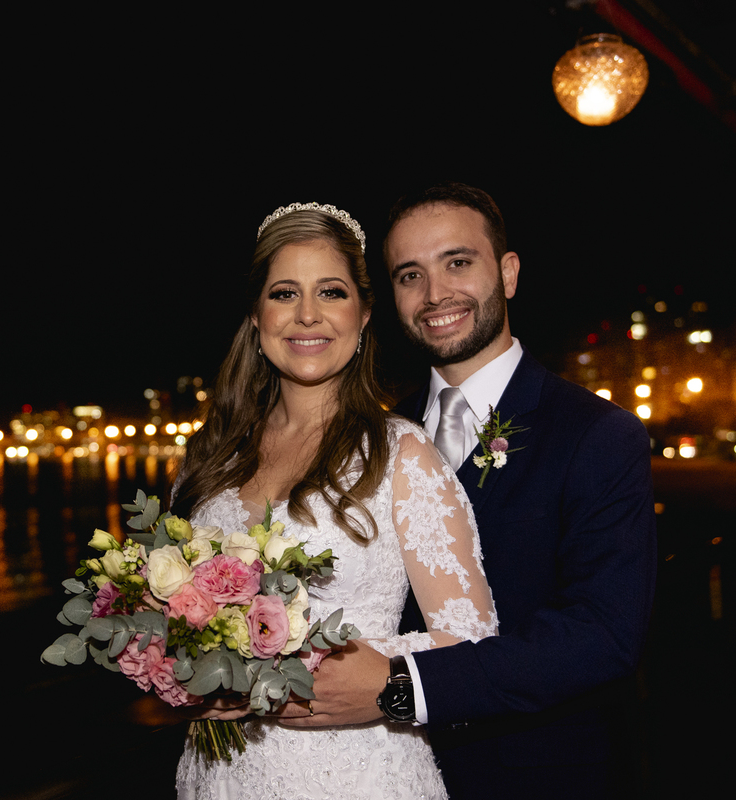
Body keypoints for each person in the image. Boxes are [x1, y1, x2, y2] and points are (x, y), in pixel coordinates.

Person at [282, 183, 657, 799]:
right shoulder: (371, 439)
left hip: (533, 773)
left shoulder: (597, 434)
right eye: (409, 275)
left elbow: (604, 636)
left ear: (507, 273)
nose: (435, 295)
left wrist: (405, 687)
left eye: (458, 262)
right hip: (372, 771)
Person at [170, 202, 499, 800]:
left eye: (331, 292)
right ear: (255, 313)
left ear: (365, 313)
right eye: (284, 293)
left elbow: (473, 642)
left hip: (355, 770)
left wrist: (365, 671)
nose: (307, 316)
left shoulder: (402, 455)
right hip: (217, 775)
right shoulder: (208, 458)